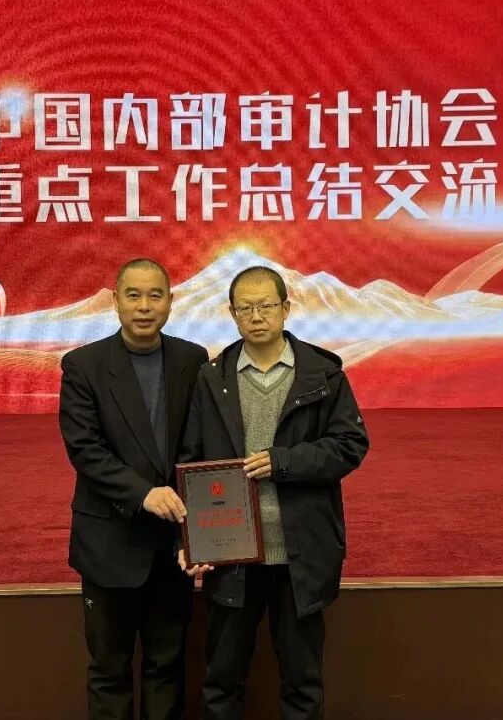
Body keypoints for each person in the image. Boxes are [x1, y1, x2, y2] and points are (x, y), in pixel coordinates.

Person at [179, 265, 369, 720]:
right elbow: (191, 461)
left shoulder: (323, 374)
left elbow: (350, 445)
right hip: (231, 551)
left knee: (302, 682)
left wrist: (285, 462)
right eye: (245, 308)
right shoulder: (212, 378)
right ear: (232, 314)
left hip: (300, 551)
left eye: (266, 305)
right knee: (221, 680)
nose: (256, 316)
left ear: (286, 308)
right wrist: (193, 539)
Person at [59, 258, 209, 720]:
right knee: (110, 669)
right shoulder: (84, 365)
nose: (144, 306)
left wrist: (198, 535)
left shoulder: (192, 360)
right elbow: (85, 449)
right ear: (115, 301)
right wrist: (142, 493)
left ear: (170, 302)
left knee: (167, 666)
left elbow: (200, 448)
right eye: (134, 295)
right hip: (109, 542)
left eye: (155, 295)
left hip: (172, 546)